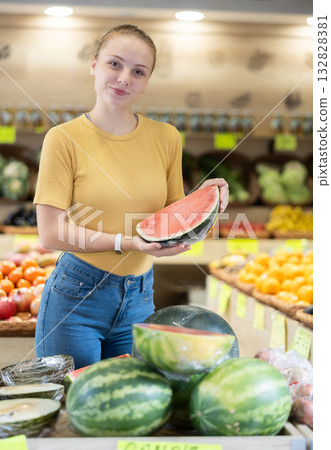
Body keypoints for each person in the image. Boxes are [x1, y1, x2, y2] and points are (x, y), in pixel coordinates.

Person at [34, 24, 229, 369]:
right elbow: (51, 234)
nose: (124, 78)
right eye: (114, 64)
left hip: (139, 297)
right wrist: (129, 242)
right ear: (94, 65)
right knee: (73, 406)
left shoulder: (167, 137)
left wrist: (207, 202)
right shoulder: (62, 139)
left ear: (147, 81)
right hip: (77, 294)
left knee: (127, 407)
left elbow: (171, 221)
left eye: (138, 71)